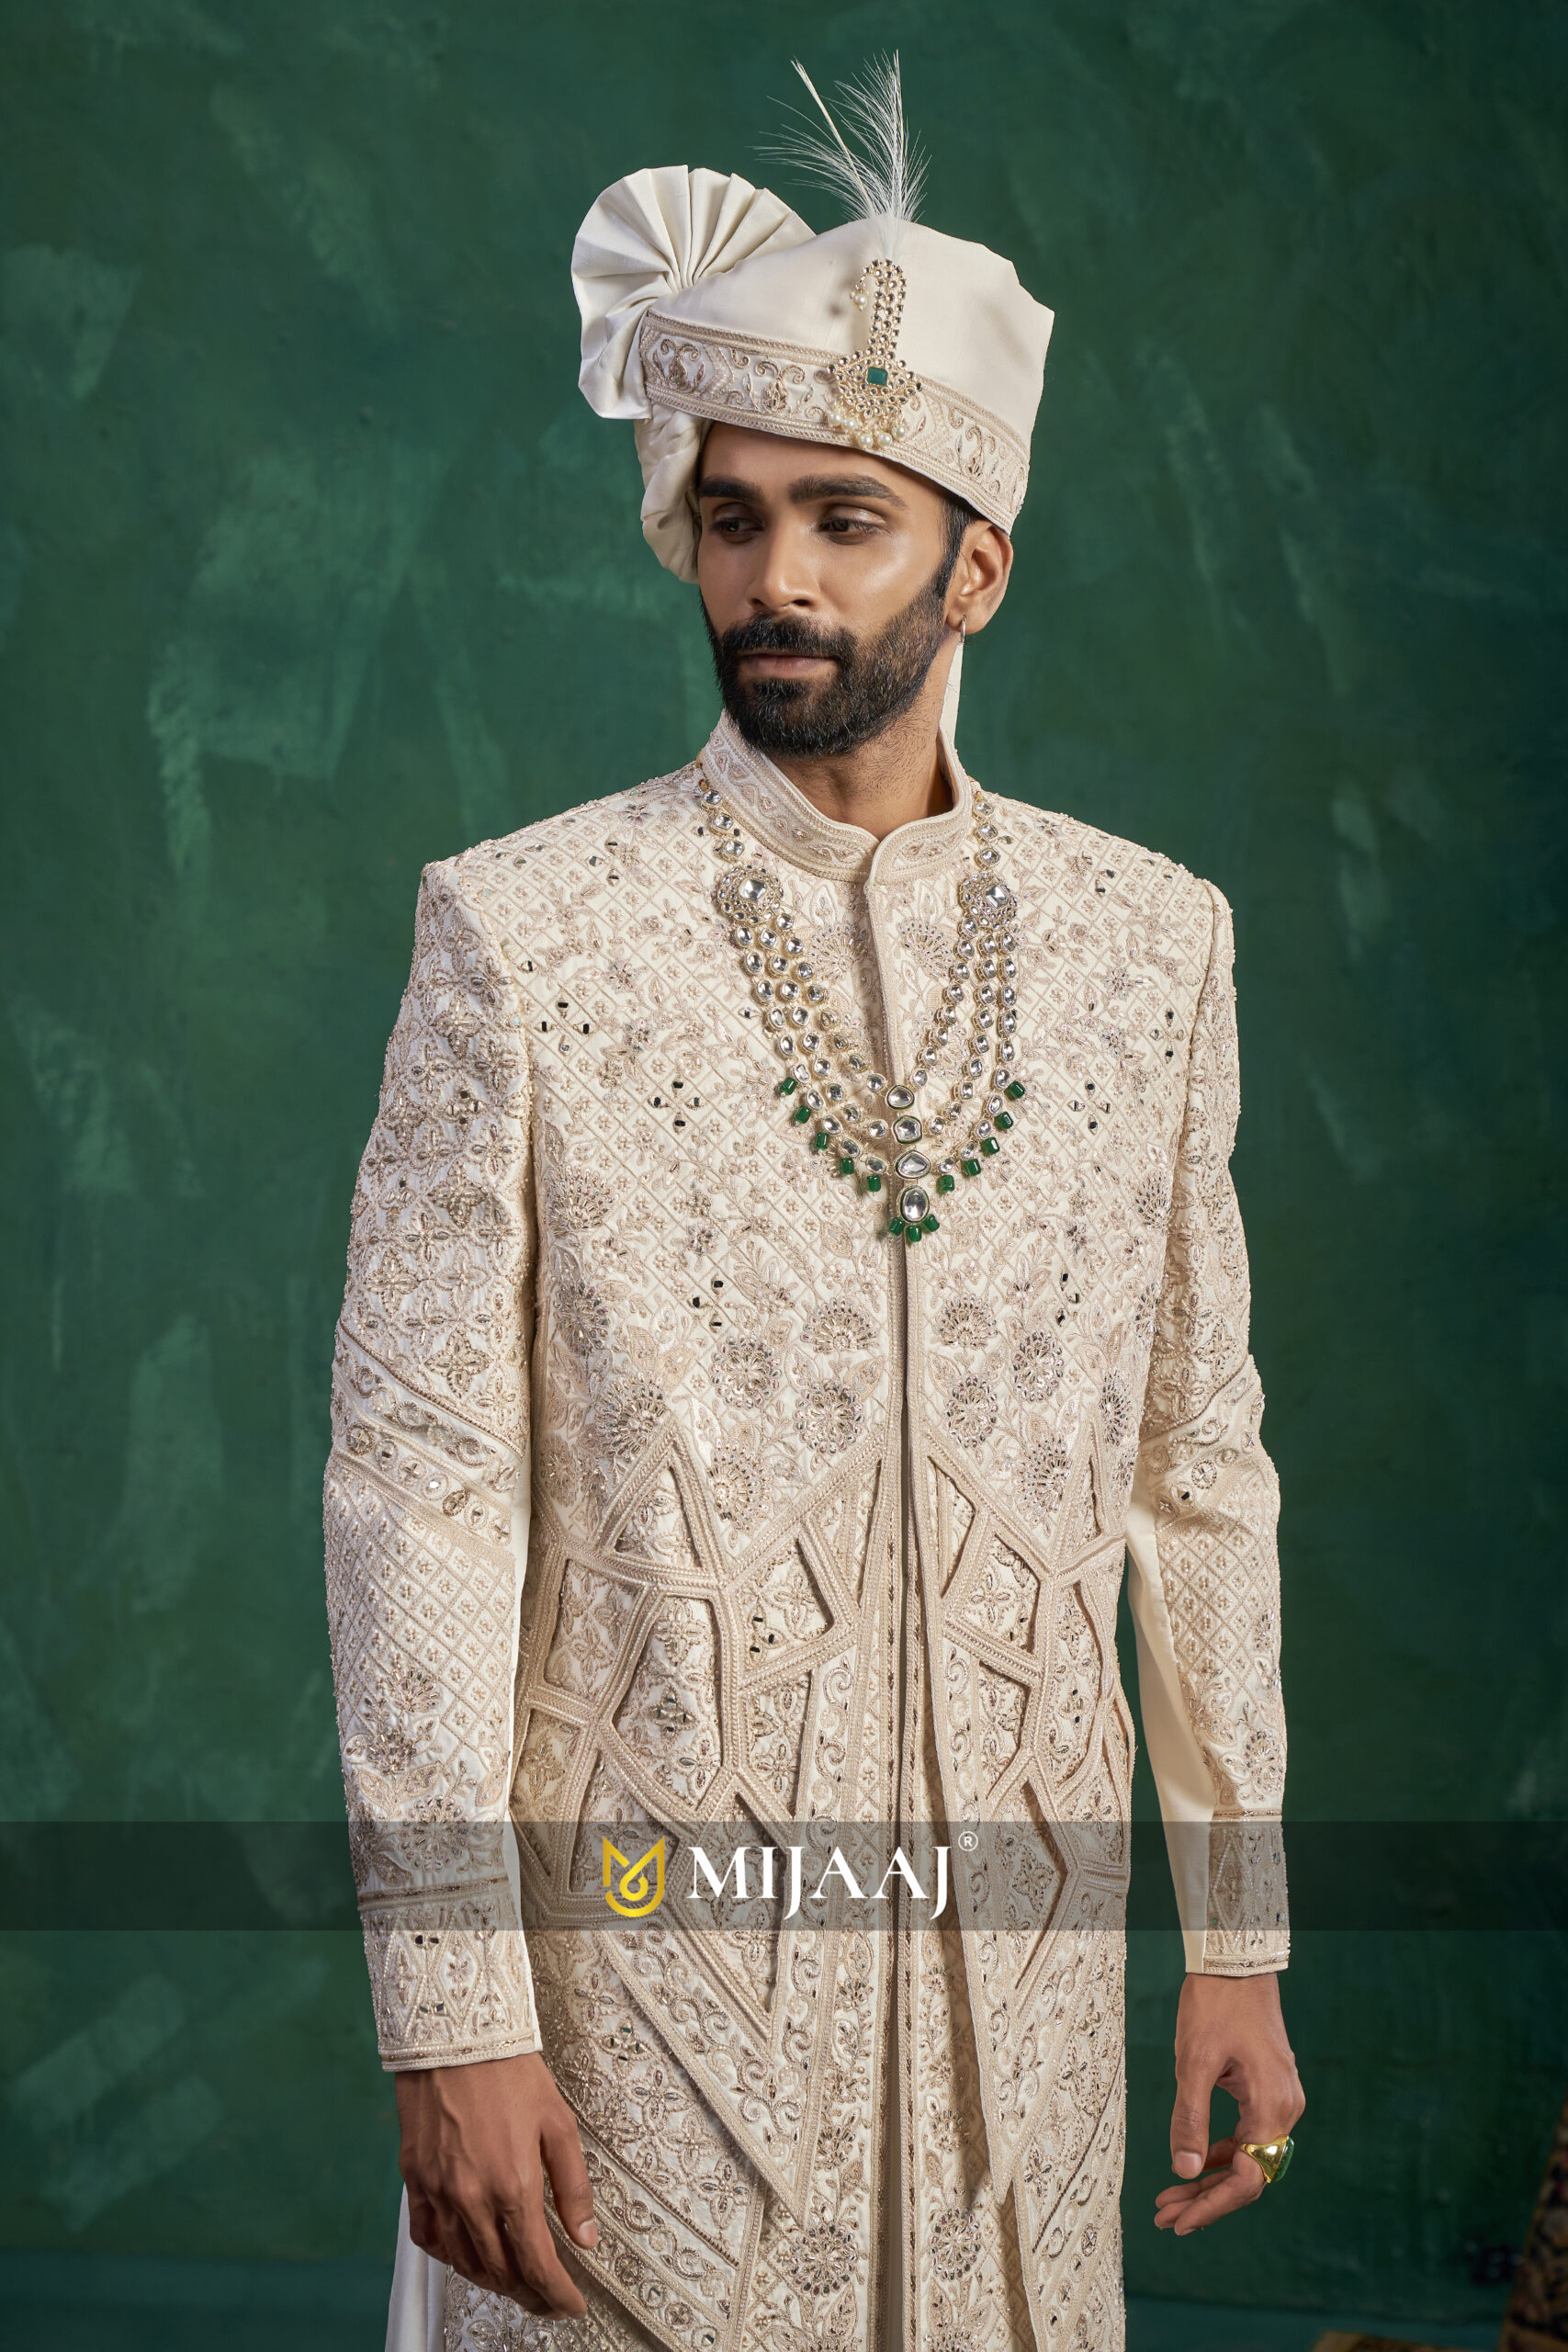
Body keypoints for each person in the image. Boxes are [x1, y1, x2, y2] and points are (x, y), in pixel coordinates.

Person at [322, 60, 1304, 2352]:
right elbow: (418, 1496)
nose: (772, 575)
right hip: (637, 1984)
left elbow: (1195, 1467)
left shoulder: (1147, 944)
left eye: (844, 520)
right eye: (731, 515)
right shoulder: (524, 934)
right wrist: (448, 2007)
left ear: (974, 561)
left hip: (1016, 2011)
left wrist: (1236, 1931)